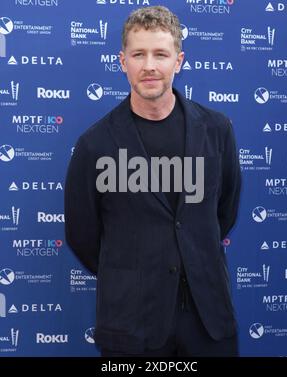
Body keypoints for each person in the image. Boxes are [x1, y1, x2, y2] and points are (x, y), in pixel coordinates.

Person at [64, 6, 241, 357]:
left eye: (160, 54)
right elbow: (83, 236)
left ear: (178, 61)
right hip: (132, 326)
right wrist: (133, 275)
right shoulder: (94, 144)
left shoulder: (217, 130)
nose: (149, 65)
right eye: (138, 54)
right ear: (122, 61)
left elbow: (225, 212)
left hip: (208, 321)